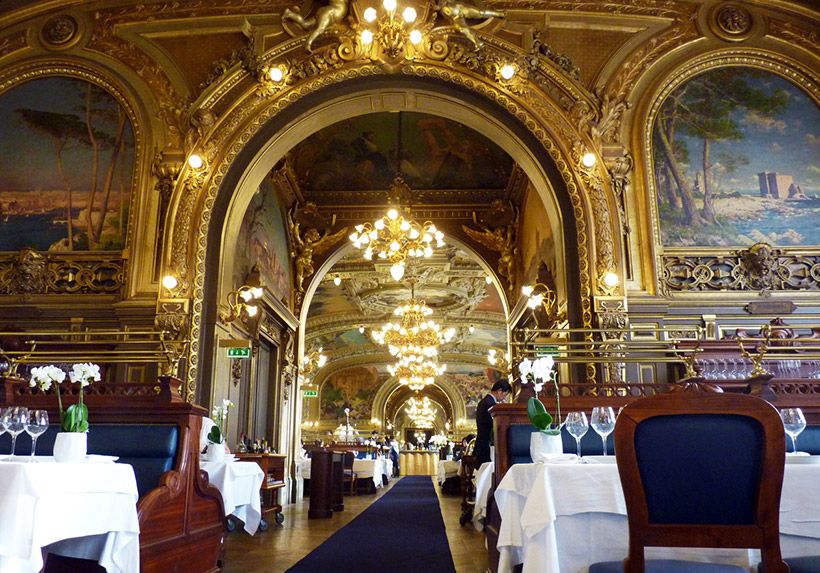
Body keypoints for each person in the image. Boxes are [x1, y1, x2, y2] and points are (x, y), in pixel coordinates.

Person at [474, 380, 512, 466]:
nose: (504, 398)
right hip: (486, 445)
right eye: (505, 395)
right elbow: (494, 425)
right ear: (499, 391)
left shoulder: (485, 401)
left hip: (481, 443)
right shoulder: (491, 404)